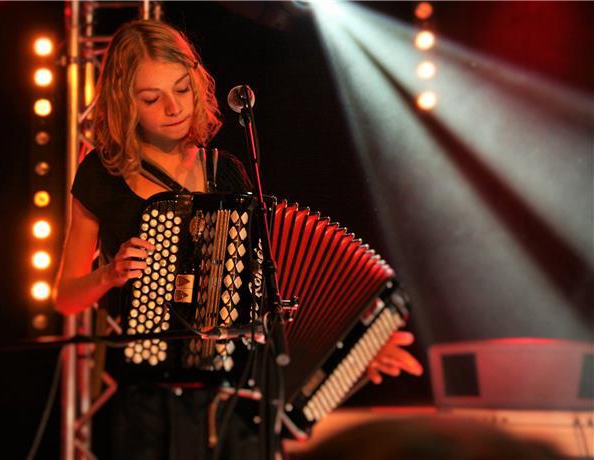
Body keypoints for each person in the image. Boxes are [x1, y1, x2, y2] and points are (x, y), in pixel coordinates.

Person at [53, 19, 422, 460]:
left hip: (232, 400)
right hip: (147, 401)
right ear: (123, 102)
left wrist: (352, 354)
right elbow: (66, 298)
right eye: (152, 98)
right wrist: (109, 274)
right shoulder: (101, 176)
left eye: (182, 89)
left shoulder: (225, 172)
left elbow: (266, 291)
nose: (173, 107)